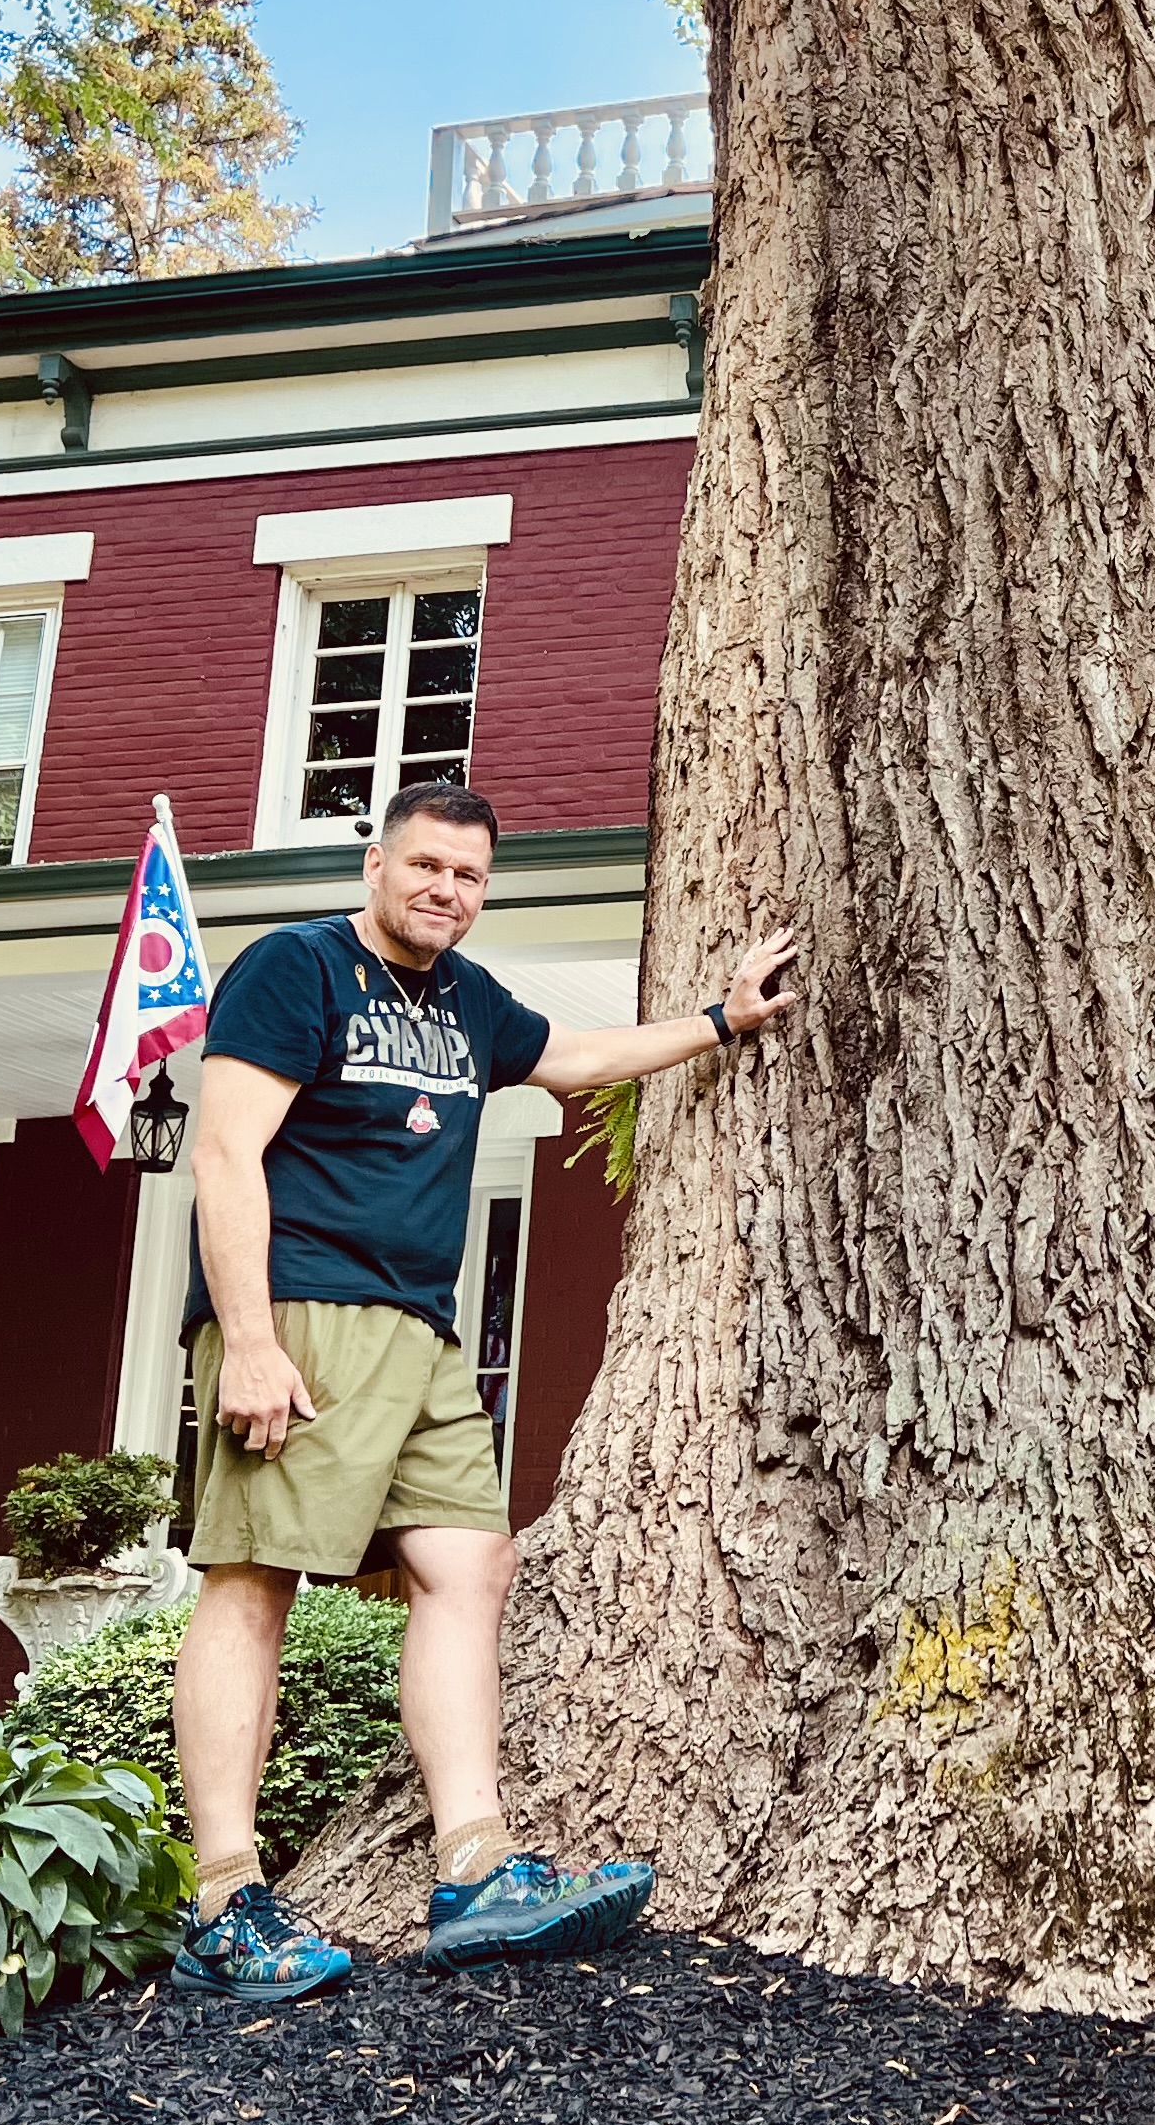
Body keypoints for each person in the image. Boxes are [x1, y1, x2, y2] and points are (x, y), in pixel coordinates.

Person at [165, 780, 800, 2002]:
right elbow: (227, 1149)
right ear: (377, 865)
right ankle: (225, 1900)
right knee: (254, 1581)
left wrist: (718, 1021)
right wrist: (248, 1339)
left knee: (470, 1565)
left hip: (422, 1330)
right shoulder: (294, 972)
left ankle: (475, 1873)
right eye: (426, 868)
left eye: (467, 877)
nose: (445, 891)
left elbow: (578, 1057)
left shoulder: (467, 1003)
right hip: (303, 1313)